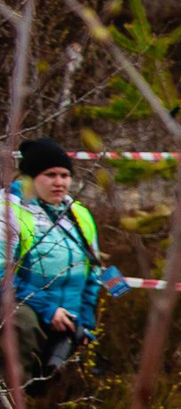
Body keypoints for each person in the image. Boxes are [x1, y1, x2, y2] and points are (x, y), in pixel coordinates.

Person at [5, 138, 108, 388]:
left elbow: (92, 274)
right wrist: (48, 310)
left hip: (66, 318)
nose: (59, 182)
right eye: (50, 175)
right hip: (24, 310)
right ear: (29, 178)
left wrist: (83, 322)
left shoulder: (79, 214)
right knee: (23, 328)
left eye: (65, 175)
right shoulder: (7, 211)